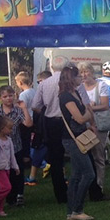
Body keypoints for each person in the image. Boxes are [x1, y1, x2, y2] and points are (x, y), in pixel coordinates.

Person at [33, 56, 80, 204]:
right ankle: (83, 189)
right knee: (79, 154)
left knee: (56, 159)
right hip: (71, 121)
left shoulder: (44, 83)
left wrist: (47, 111)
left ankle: (61, 194)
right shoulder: (72, 82)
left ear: (51, 67)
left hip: (52, 122)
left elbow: (35, 105)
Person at [58, 64, 96, 220]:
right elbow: (81, 117)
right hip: (72, 139)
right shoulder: (66, 97)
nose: (81, 77)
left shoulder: (76, 93)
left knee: (76, 175)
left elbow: (83, 114)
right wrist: (87, 115)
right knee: (89, 173)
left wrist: (86, 115)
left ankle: (71, 211)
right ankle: (77, 209)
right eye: (78, 76)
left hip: (79, 135)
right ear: (71, 78)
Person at [0, 84, 32, 206]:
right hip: (0, 147)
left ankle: (17, 195)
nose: (8, 98)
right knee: (2, 172)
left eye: (10, 96)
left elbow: (28, 124)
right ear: (0, 98)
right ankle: (1, 195)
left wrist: (24, 108)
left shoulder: (17, 111)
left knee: (17, 172)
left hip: (15, 146)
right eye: (5, 96)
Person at [79, 62, 110, 201]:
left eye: (86, 72)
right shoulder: (79, 87)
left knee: (98, 156)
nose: (84, 75)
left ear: (91, 72)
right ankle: (87, 186)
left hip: (98, 124)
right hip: (84, 124)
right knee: (85, 156)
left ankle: (99, 186)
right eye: (81, 73)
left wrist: (90, 107)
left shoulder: (101, 85)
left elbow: (105, 105)